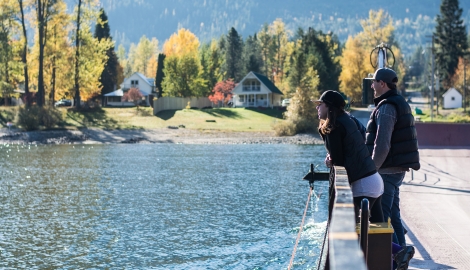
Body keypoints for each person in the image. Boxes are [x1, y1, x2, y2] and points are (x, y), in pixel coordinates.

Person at [367, 68, 420, 270]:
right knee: (395, 216)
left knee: (383, 218)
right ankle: (402, 259)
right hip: (396, 170)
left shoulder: (387, 107)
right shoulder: (398, 102)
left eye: (374, 82)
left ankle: (393, 262)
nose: (371, 85)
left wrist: (371, 169)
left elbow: (382, 145)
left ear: (383, 83)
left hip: (387, 171)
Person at [314, 90, 384, 223]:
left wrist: (331, 161)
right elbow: (354, 142)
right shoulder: (347, 119)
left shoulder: (333, 126)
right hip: (374, 179)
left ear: (329, 106)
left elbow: (339, 163)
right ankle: (400, 245)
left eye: (320, 104)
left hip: (363, 185)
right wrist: (332, 157)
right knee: (378, 234)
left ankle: (399, 245)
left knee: (353, 232)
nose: (317, 107)